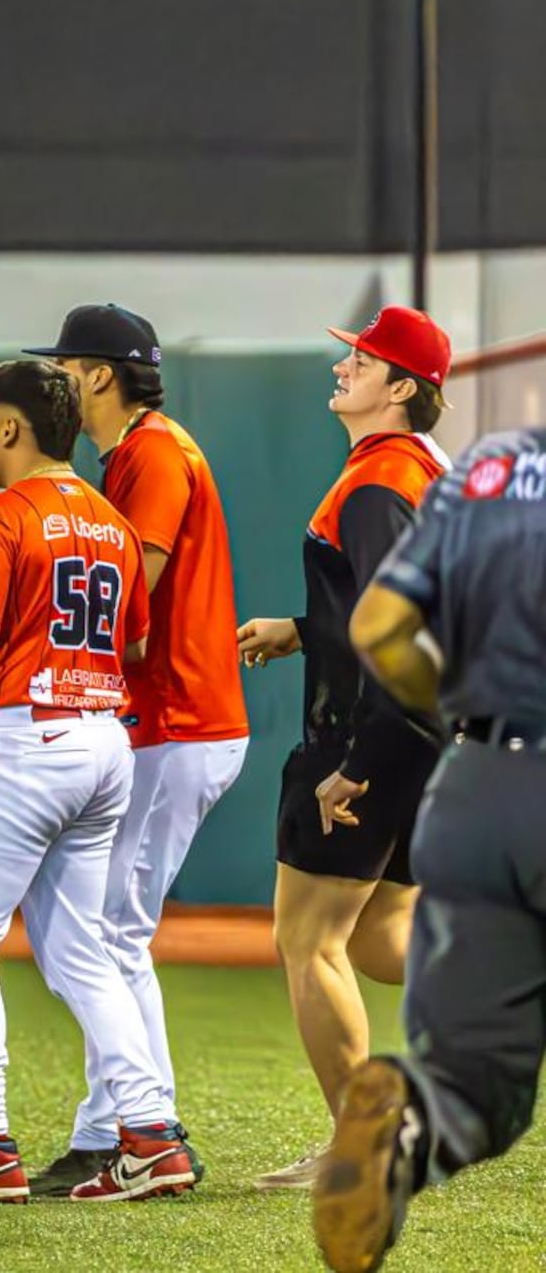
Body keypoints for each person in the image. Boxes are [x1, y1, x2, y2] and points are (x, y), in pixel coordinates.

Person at [0, 358, 195, 1205]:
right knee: (80, 952)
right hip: (103, 744)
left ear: (13, 428)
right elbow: (129, 646)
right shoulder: (110, 519)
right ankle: (152, 1134)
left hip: (27, 742)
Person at [27, 305, 249, 1193]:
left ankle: (139, 1134)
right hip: (172, 721)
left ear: (99, 376)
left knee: (107, 933)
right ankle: (118, 1129)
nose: (59, 384)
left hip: (178, 720)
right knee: (107, 933)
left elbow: (131, 593)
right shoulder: (142, 449)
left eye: (68, 369)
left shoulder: (152, 454)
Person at [314, 427, 546, 1273]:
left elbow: (378, 626)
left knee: (479, 1088)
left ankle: (410, 1124)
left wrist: (460, 718)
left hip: (478, 785)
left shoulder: (488, 470)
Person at [236, 305, 453, 1190]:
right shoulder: (419, 472)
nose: (343, 367)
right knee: (375, 938)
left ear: (401, 386)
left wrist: (356, 766)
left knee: (308, 938)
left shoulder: (375, 485)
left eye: (361, 358)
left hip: (377, 733)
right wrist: (303, 627)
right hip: (428, 730)